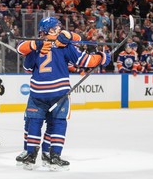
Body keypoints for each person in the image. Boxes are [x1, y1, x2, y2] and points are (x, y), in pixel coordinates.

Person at [16, 16, 111, 171]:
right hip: (58, 93)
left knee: (34, 122)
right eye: (57, 27)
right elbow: (85, 61)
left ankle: (30, 155)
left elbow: (27, 68)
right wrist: (102, 57)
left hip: (37, 92)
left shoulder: (36, 46)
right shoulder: (65, 45)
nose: (60, 29)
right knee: (57, 123)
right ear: (52, 29)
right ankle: (53, 156)